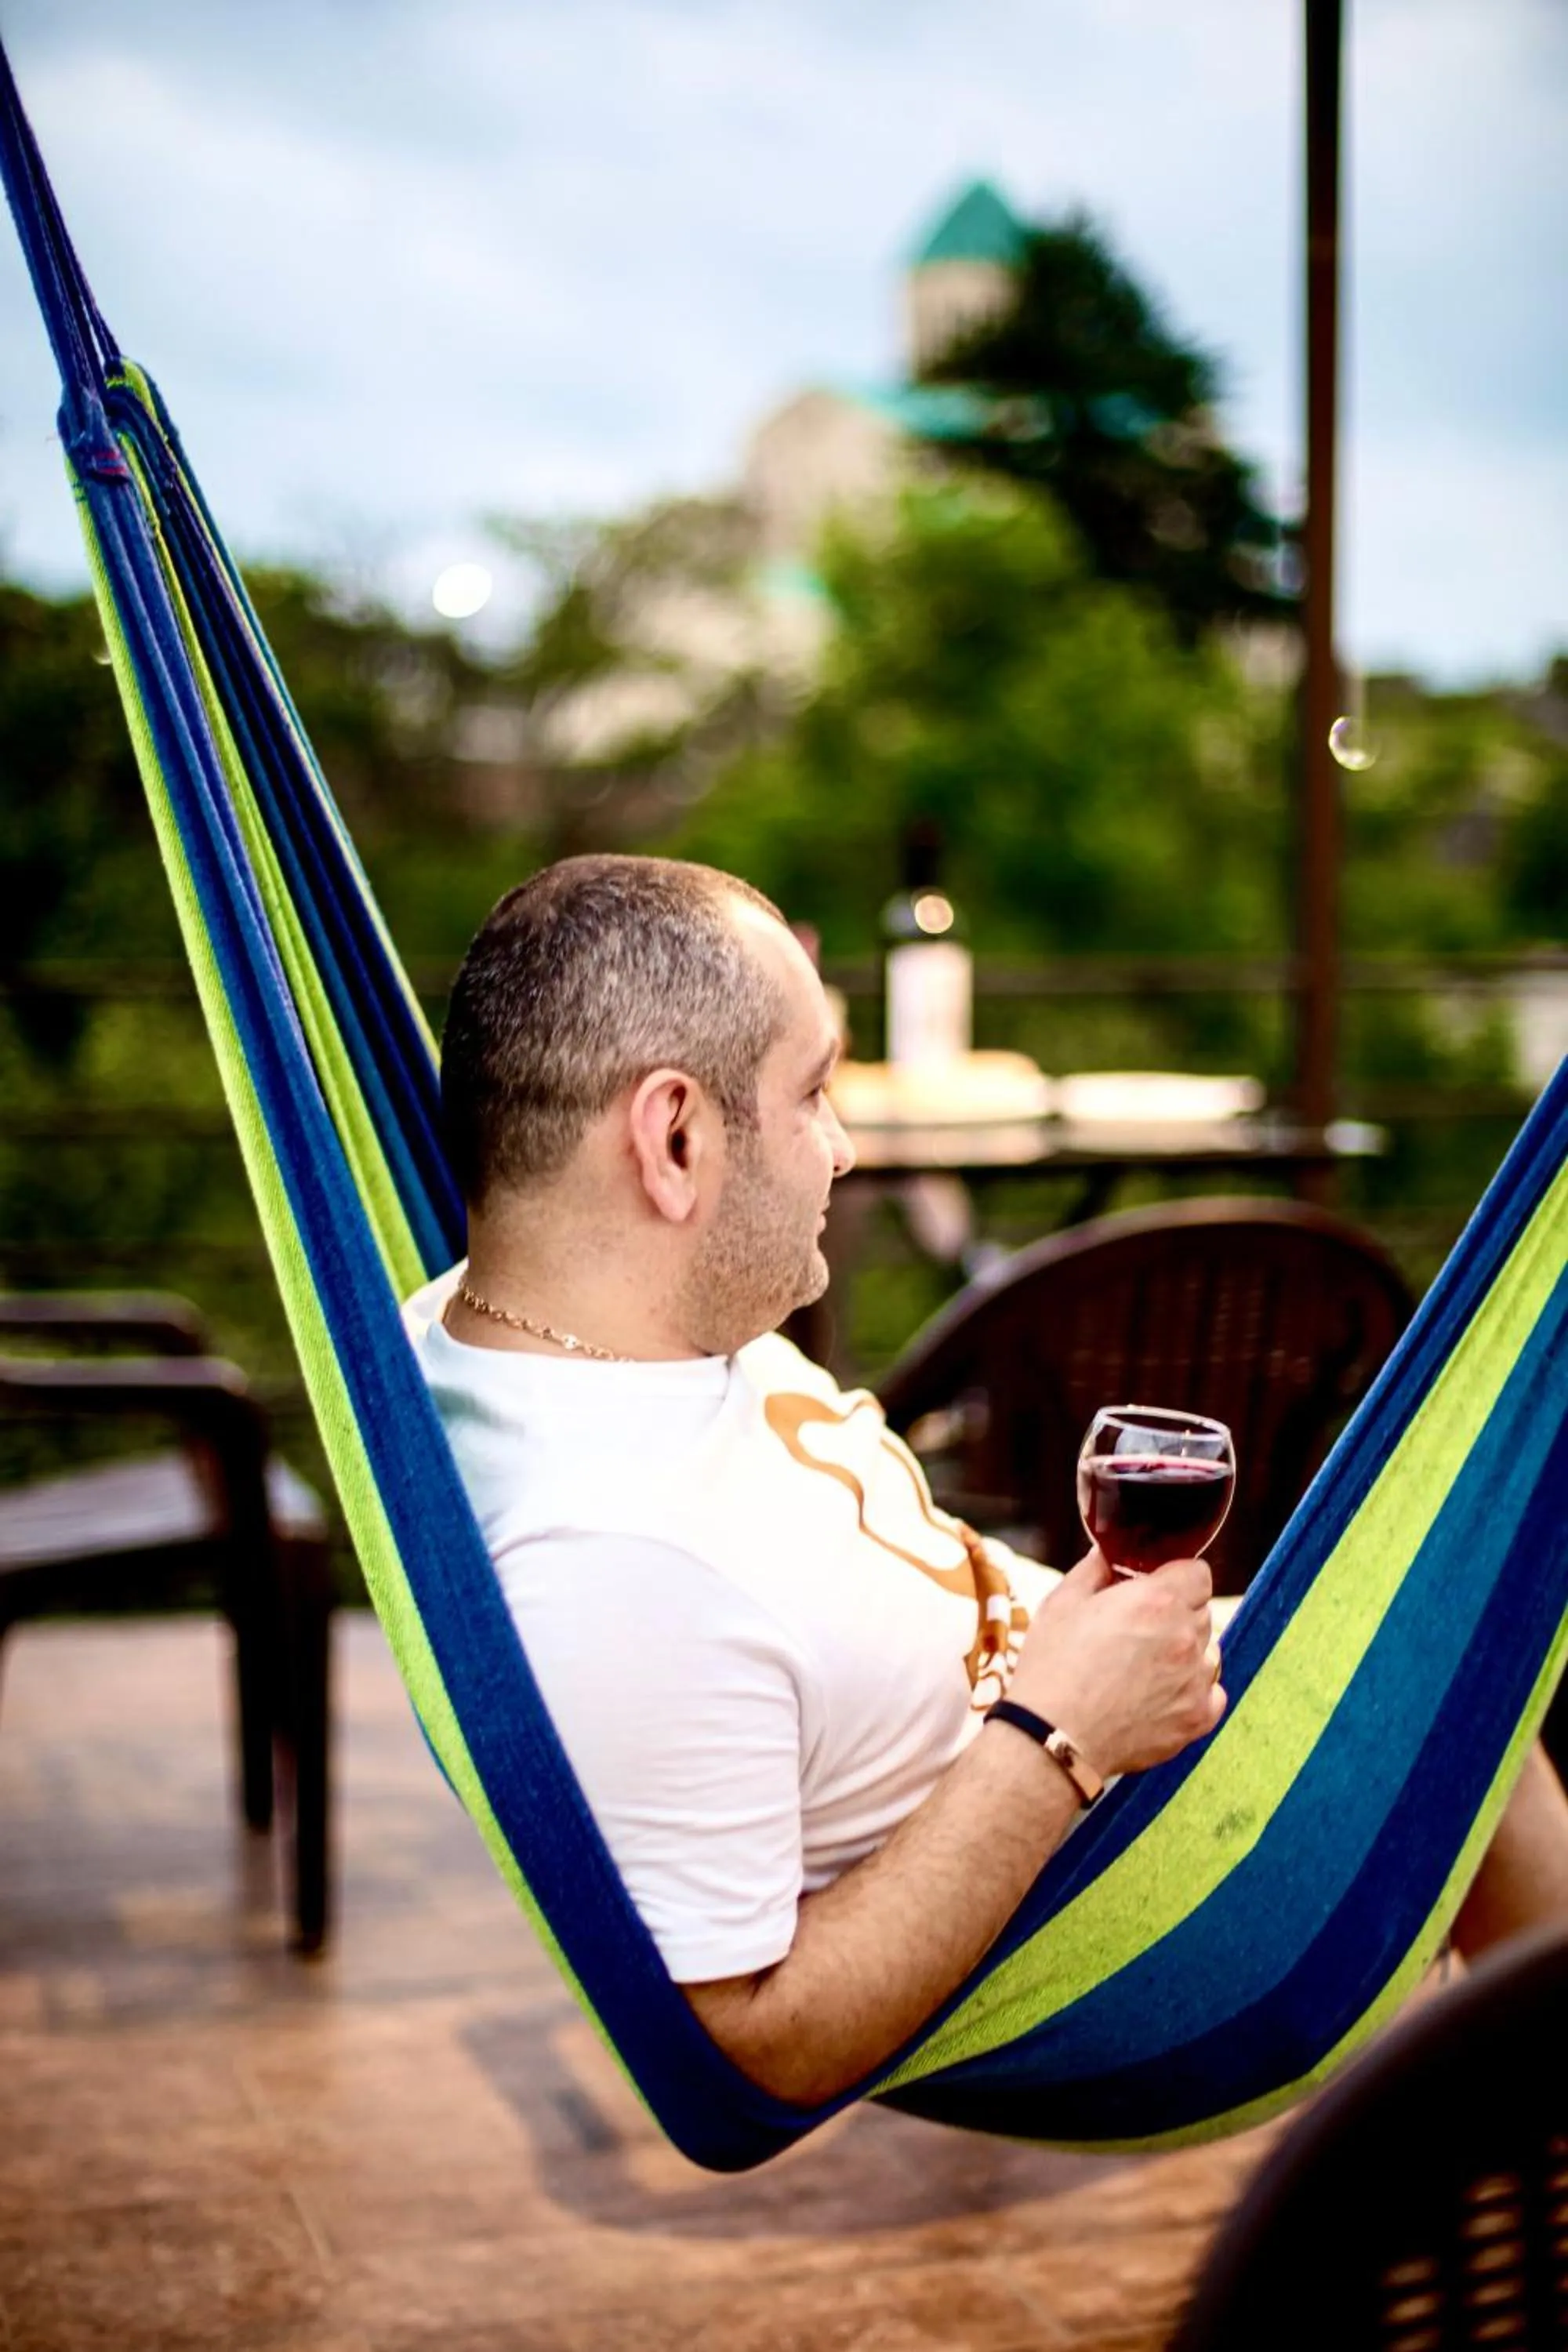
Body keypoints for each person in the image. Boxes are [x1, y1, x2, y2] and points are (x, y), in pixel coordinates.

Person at [407, 852, 1568, 2107]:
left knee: (1467, 1675)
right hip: (1090, 1871)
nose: (843, 1149)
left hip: (1095, 1697)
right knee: (1465, 1685)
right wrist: (1061, 1733)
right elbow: (755, 2047)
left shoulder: (517, 1315)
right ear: (674, 1138)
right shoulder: (618, 1568)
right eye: (813, 1095)